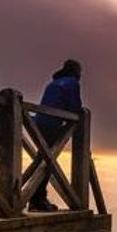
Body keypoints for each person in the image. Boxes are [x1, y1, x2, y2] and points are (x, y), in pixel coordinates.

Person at [29, 59, 83, 211]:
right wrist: (76, 117)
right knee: (47, 162)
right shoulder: (72, 83)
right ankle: (38, 200)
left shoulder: (53, 83)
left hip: (38, 122)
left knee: (42, 160)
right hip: (51, 124)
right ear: (75, 71)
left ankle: (32, 198)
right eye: (80, 71)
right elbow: (74, 107)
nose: (81, 75)